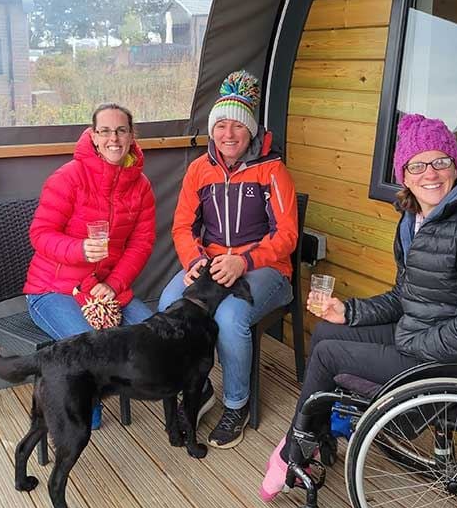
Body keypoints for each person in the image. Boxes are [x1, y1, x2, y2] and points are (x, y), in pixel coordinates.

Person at [259, 113, 457, 500]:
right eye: (417, 165)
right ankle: (319, 431)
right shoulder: (417, 220)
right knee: (330, 331)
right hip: (421, 332)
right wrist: (348, 312)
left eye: (440, 162)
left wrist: (412, 346)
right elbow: (405, 296)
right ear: (405, 175)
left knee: (330, 355)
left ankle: (294, 449)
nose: (429, 174)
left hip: (455, 357)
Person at [158, 70, 299, 449]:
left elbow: (287, 235)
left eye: (237, 125)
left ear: (251, 130)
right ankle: (199, 387)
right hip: (211, 262)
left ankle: (236, 403)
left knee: (229, 316)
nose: (229, 133)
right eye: (221, 124)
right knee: (168, 304)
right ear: (212, 130)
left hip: (266, 268)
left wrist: (245, 262)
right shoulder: (199, 170)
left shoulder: (272, 170)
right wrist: (193, 261)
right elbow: (182, 227)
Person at [24, 103, 156, 429]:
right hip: (52, 290)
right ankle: (84, 407)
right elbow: (40, 235)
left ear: (131, 135)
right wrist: (80, 249)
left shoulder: (140, 187)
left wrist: (112, 285)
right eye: (106, 131)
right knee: (90, 345)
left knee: (153, 335)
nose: (114, 138)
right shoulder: (69, 177)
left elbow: (141, 245)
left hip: (106, 288)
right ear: (94, 136)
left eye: (121, 130)